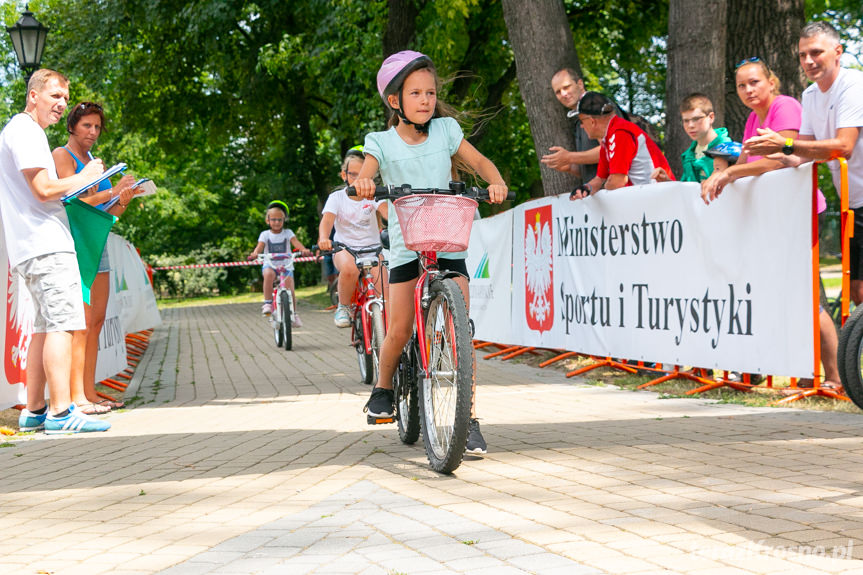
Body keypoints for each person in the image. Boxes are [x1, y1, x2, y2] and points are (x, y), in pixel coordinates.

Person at [353, 50, 508, 454]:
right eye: (415, 93)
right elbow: (367, 172)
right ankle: (384, 387)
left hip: (447, 238)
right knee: (400, 328)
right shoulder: (381, 141)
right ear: (394, 101)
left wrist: (495, 181)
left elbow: (481, 162)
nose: (425, 100)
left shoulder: (447, 131)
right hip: (407, 246)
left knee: (461, 334)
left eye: (431, 92)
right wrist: (367, 183)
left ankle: (467, 419)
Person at [706, 55, 840, 389]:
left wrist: (732, 173)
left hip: (800, 211)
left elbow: (781, 160)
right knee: (785, 295)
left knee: (812, 297)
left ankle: (835, 378)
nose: (748, 90)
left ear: (770, 82)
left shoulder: (786, 107)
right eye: (741, 85)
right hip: (773, 217)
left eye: (754, 82)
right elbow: (742, 159)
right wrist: (722, 173)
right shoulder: (754, 119)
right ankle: (803, 376)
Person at [0, 69, 110, 433]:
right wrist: (86, 176)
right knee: (63, 325)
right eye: (55, 96)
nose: (62, 104)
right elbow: (44, 189)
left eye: (65, 98)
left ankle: (34, 411)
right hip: (46, 243)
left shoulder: (20, 132)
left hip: (32, 245)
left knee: (45, 328)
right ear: (33, 95)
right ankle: (62, 413)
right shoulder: (27, 132)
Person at [745, 21, 863, 304]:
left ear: (838, 52)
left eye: (816, 52)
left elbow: (844, 147)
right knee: (857, 293)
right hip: (852, 203)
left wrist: (785, 144)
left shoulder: (853, 85)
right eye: (802, 55)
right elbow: (803, 153)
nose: (808, 61)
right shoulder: (810, 95)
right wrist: (771, 157)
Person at [52, 102, 136, 415]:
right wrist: (112, 190)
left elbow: (108, 212)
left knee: (97, 322)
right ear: (72, 126)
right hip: (77, 245)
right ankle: (76, 397)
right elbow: (74, 200)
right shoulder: (63, 155)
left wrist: (123, 198)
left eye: (97, 127)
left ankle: (89, 392)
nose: (93, 132)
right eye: (87, 125)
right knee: (82, 323)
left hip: (98, 241)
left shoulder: (95, 162)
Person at [318, 147, 387, 328]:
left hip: (373, 249)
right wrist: (324, 238)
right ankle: (344, 307)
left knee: (385, 293)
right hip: (345, 249)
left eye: (363, 174)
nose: (358, 180)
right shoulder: (337, 197)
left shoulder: (374, 196)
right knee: (349, 269)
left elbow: (389, 215)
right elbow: (327, 221)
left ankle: (384, 329)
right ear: (344, 175)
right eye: (353, 174)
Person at [569, 91, 675, 200]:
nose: (581, 126)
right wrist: (586, 188)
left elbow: (617, 182)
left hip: (659, 200)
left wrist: (606, 186)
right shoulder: (608, 138)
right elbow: (599, 178)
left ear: (592, 121)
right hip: (649, 199)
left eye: (581, 121)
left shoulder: (620, 133)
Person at [248, 200, 310, 327]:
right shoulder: (265, 235)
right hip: (270, 264)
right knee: (268, 275)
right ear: (268, 220)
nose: (277, 222)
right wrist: (255, 254)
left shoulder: (288, 233)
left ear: (284, 220)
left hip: (286, 265)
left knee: (290, 289)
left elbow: (296, 242)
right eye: (274, 219)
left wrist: (303, 250)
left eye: (280, 220)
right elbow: (260, 246)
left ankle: (293, 314)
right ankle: (268, 303)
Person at [652, 93, 732, 183]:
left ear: (711, 117)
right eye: (686, 120)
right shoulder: (689, 155)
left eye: (696, 119)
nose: (690, 125)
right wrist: (667, 182)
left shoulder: (726, 148)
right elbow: (688, 190)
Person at [540, 68, 602, 183]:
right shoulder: (580, 119)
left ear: (580, 84)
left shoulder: (596, 104)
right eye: (558, 92)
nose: (563, 94)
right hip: (597, 193)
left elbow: (614, 150)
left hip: (616, 192)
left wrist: (570, 156)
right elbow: (591, 169)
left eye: (566, 87)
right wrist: (569, 167)